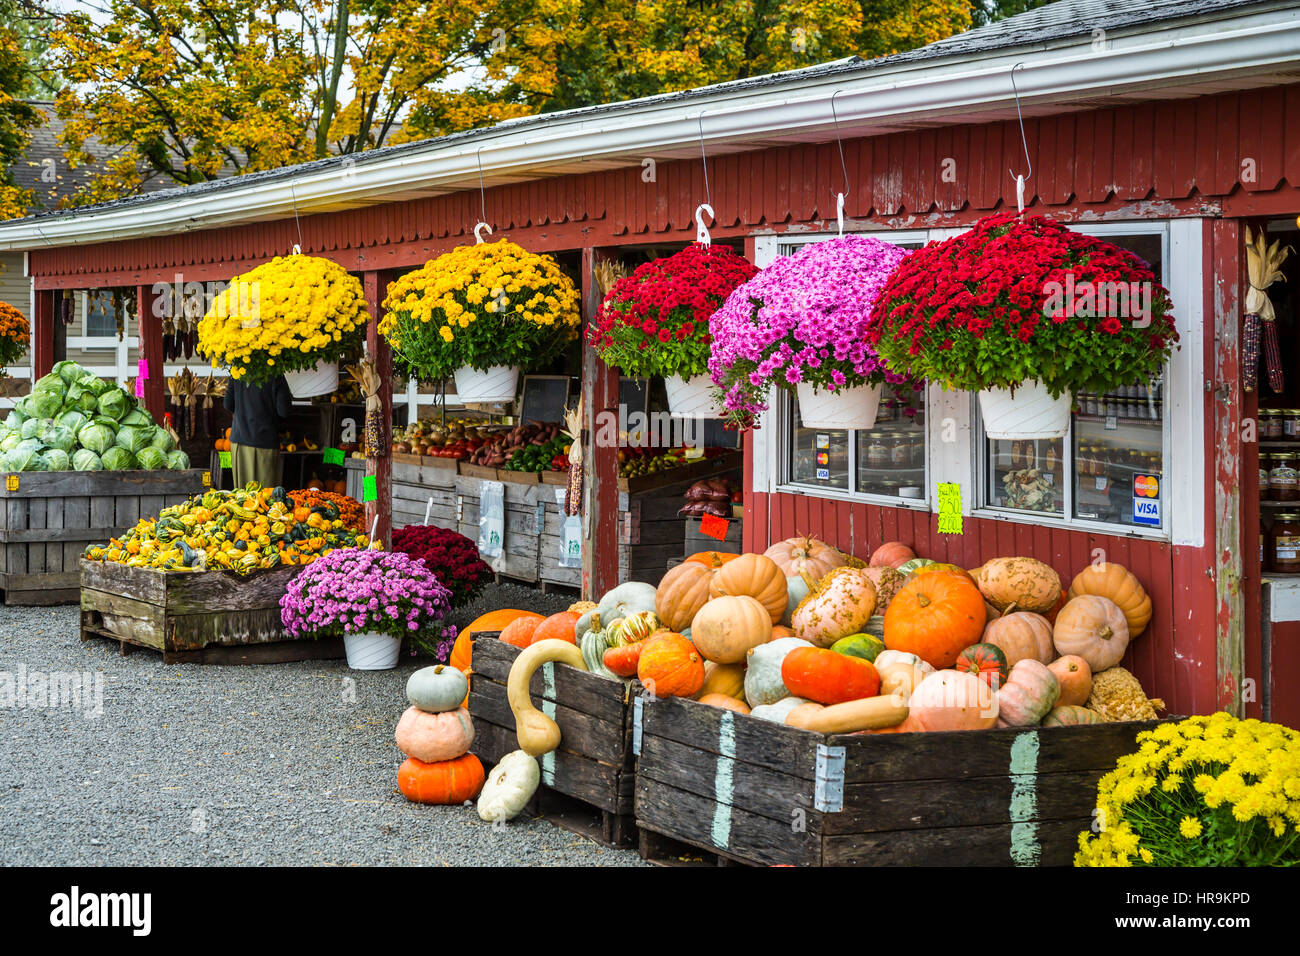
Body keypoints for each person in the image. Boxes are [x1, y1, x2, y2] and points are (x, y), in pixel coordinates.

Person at [223, 375, 292, 488]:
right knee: (266, 498)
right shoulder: (275, 374)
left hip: (239, 442)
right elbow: (284, 411)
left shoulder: (238, 371)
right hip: (266, 443)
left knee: (242, 498)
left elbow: (228, 404)